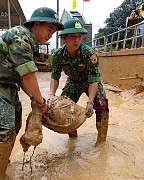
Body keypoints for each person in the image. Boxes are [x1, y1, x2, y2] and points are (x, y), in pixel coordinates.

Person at [0, 7, 63, 179]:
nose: (51, 34)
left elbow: (21, 76)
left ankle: (1, 160)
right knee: (6, 127)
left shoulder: (31, 43)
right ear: (36, 24)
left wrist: (35, 99)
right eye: (49, 29)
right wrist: (41, 102)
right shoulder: (21, 36)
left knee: (16, 124)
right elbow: (28, 76)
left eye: (54, 31)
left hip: (6, 84)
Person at [48, 18, 109, 146]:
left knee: (102, 105)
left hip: (90, 82)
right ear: (64, 37)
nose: (76, 40)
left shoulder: (89, 54)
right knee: (64, 108)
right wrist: (51, 96)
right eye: (72, 36)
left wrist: (91, 102)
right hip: (73, 82)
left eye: (79, 36)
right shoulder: (57, 55)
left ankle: (101, 141)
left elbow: (93, 79)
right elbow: (55, 76)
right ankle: (72, 136)